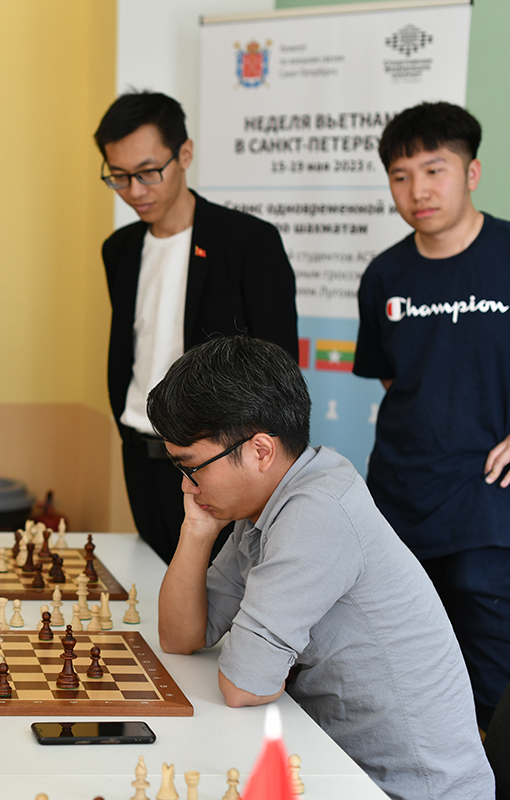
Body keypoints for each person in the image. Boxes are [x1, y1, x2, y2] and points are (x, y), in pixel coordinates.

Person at [150, 336, 493, 800]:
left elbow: (244, 684)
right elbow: (181, 635)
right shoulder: (269, 500)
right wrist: (196, 529)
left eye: (191, 467)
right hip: (338, 760)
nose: (188, 486)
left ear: (260, 451)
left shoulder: (316, 512)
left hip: (407, 789)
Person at [353, 101, 510, 730]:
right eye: (401, 176)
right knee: (397, 685)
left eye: (435, 170)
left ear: (471, 172)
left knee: (501, 697)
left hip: (493, 511)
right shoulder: (384, 276)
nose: (418, 190)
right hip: (398, 506)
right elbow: (399, 376)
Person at [94, 90, 299, 563]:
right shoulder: (119, 250)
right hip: (140, 449)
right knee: (159, 585)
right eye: (119, 177)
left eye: (148, 172)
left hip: (219, 462)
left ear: (184, 154)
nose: (135, 190)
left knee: (221, 602)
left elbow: (278, 368)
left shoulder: (248, 243)